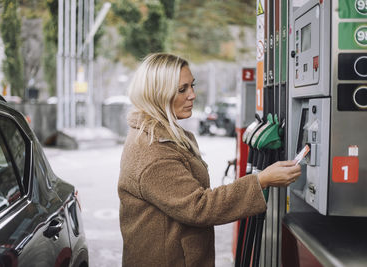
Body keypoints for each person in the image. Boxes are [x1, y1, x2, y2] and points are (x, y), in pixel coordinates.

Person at [118, 53, 301, 267]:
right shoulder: (153, 151)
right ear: (157, 94)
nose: (192, 95)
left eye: (192, 86)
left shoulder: (159, 135)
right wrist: (261, 181)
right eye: (182, 89)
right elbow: (199, 207)